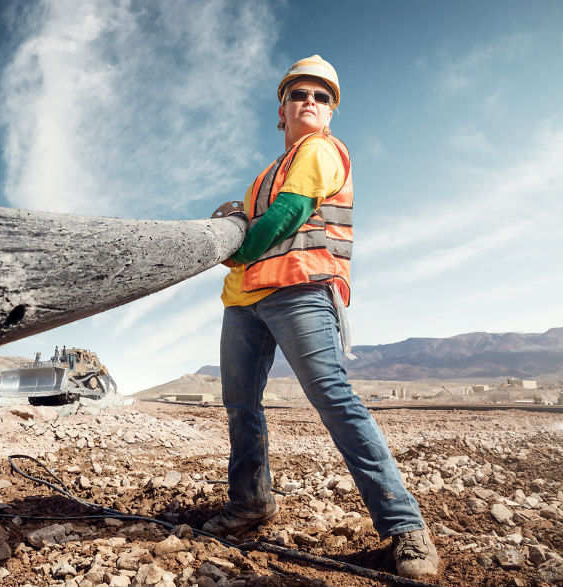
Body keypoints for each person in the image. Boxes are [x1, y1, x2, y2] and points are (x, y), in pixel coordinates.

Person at [203, 55, 439, 580]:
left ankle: (406, 528)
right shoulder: (263, 175)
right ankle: (249, 505)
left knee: (333, 397)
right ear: (281, 110)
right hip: (244, 301)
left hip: (301, 290)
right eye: (299, 95)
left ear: (330, 113)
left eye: (321, 97)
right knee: (240, 405)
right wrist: (237, 228)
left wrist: (237, 248)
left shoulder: (320, 150)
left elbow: (287, 216)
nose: (310, 102)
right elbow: (257, 219)